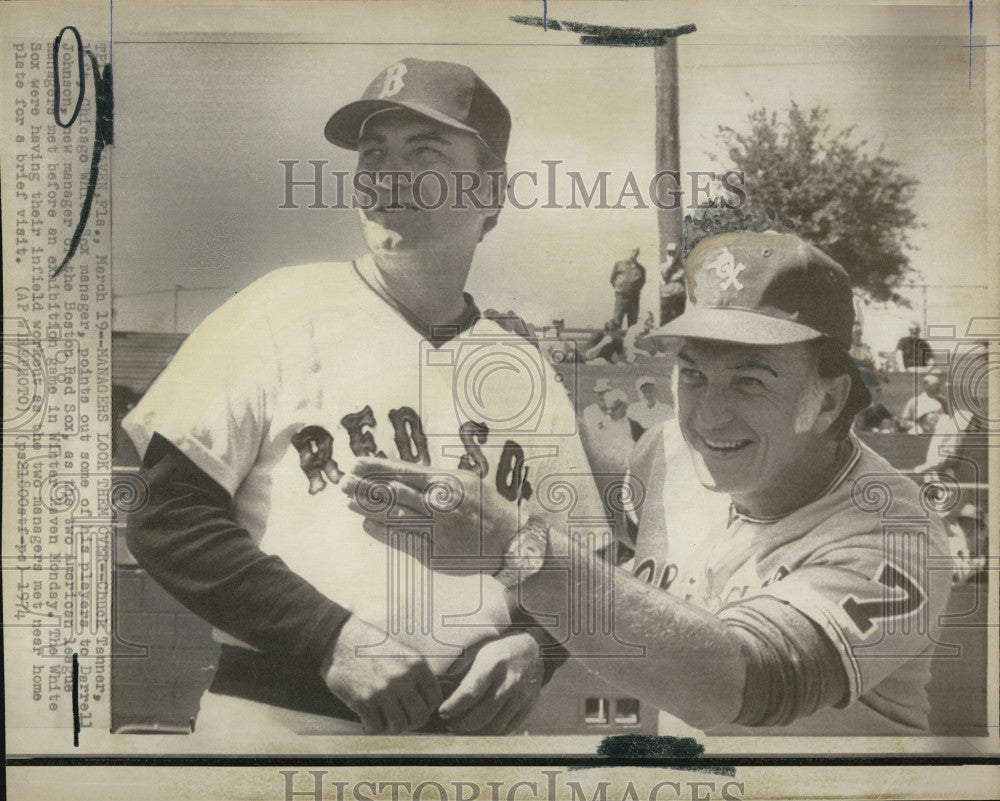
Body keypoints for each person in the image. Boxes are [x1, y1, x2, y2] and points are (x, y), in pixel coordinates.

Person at [123, 58, 602, 738]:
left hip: (473, 744)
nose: (386, 174)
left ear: (490, 190)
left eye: (423, 151)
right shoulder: (276, 309)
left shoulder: (525, 366)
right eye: (373, 154)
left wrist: (537, 646)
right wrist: (330, 636)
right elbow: (164, 515)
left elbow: (583, 563)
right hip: (281, 724)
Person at [348, 231, 952, 736]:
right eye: (693, 375)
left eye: (750, 381)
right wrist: (544, 642)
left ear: (829, 399)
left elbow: (749, 681)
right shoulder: (665, 453)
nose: (707, 418)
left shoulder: (896, 535)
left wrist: (519, 550)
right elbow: (628, 589)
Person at [626, 376, 673, 440]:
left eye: (650, 391)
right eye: (644, 391)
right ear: (639, 393)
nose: (648, 394)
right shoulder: (632, 409)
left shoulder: (666, 409)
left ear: (656, 391)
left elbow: (671, 430)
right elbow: (628, 432)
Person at [610, 247, 647, 328]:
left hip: (634, 298)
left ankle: (630, 340)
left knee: (633, 324)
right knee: (616, 321)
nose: (635, 253)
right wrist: (621, 289)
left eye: (637, 252)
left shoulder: (641, 269)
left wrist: (634, 290)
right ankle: (615, 340)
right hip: (621, 297)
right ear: (629, 251)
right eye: (633, 250)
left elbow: (642, 282)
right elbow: (612, 279)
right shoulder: (619, 264)